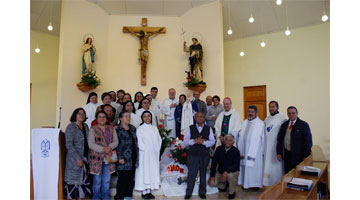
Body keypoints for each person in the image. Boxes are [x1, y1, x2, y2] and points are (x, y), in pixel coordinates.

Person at [183, 112, 215, 200]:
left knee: (203, 174)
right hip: (193, 155)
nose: (199, 118)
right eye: (197, 117)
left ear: (204, 118)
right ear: (195, 118)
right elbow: (185, 141)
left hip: (204, 155)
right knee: (191, 174)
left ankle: (202, 192)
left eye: (201, 116)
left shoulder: (209, 129)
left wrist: (203, 142)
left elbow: (212, 141)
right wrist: (195, 141)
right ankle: (188, 193)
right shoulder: (190, 128)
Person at [88, 111, 119, 200]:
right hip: (96, 160)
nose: (102, 118)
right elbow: (91, 144)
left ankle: (106, 198)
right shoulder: (93, 129)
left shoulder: (111, 128)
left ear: (106, 119)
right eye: (100, 117)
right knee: (97, 182)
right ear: (96, 119)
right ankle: (96, 198)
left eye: (103, 117)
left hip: (108, 159)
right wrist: (103, 149)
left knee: (106, 181)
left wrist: (109, 147)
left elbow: (116, 141)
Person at [64, 108, 92, 199]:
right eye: (79, 113)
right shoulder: (70, 127)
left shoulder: (86, 126)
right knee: (73, 182)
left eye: (83, 113)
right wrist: (77, 158)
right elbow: (69, 144)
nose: (81, 115)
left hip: (85, 159)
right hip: (74, 160)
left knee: (82, 182)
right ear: (75, 115)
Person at [235, 105, 265, 190]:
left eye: (252, 112)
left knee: (254, 169)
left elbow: (263, 139)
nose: (250, 113)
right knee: (244, 167)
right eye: (249, 112)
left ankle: (255, 185)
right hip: (244, 150)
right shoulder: (244, 122)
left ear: (256, 113)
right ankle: (245, 184)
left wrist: (262, 152)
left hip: (256, 152)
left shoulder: (261, 124)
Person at [276, 106, 313, 173]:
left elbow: (308, 142)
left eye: (293, 113)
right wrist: (279, 152)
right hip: (287, 156)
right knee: (287, 175)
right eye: (289, 113)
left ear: (297, 113)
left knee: (297, 176)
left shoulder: (303, 125)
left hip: (299, 157)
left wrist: (305, 156)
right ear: (287, 114)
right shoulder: (284, 125)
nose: (291, 115)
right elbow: (280, 140)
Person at [134, 111, 162, 199]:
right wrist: (146, 149)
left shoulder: (154, 128)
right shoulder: (140, 129)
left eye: (149, 116)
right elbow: (139, 142)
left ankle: (149, 190)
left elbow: (159, 140)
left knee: (151, 171)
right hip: (144, 155)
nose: (147, 118)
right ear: (142, 118)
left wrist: (157, 149)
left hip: (153, 154)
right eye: (145, 116)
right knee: (144, 171)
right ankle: (144, 191)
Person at [115, 110, 139, 200]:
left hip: (133, 157)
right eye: (126, 116)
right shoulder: (117, 129)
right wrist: (120, 157)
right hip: (123, 158)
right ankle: (119, 197)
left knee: (131, 178)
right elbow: (116, 144)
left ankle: (128, 196)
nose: (128, 118)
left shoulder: (133, 128)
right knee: (123, 180)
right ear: (121, 118)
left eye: (129, 116)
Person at [263, 101, 287, 186]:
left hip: (277, 146)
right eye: (270, 107)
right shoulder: (267, 119)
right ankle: (268, 184)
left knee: (277, 167)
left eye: (273, 107)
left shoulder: (282, 118)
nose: (271, 108)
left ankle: (278, 184)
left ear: (277, 107)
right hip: (267, 146)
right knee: (268, 165)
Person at [208, 135, 240, 199]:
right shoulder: (219, 149)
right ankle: (224, 185)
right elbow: (214, 163)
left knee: (230, 176)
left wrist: (226, 172)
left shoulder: (236, 151)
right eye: (226, 140)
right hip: (221, 171)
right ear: (224, 141)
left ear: (233, 142)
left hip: (232, 171)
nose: (228, 142)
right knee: (211, 183)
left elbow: (236, 165)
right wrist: (212, 175)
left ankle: (232, 192)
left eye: (230, 140)